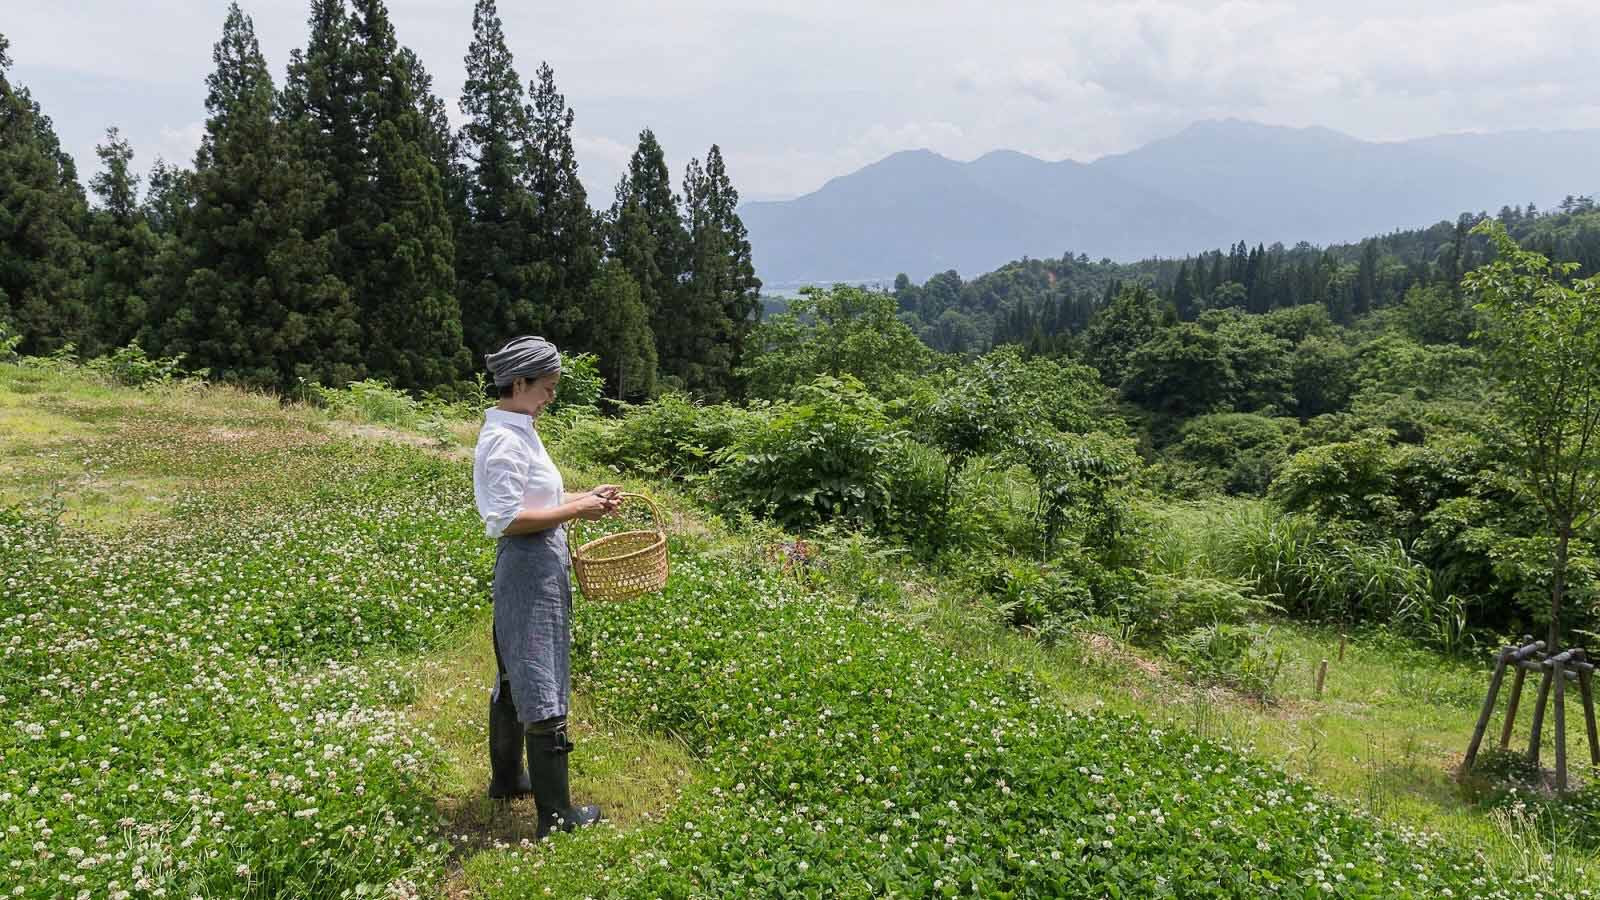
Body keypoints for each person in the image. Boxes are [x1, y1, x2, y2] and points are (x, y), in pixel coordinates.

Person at [472, 335, 620, 838]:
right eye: (547, 387)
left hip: (538, 561)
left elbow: (539, 497)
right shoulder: (504, 442)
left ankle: (509, 779)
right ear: (519, 383)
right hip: (528, 567)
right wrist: (578, 509)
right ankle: (556, 818)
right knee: (540, 677)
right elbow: (507, 518)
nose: (552, 396)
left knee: (517, 677)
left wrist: (583, 495)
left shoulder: (521, 430)